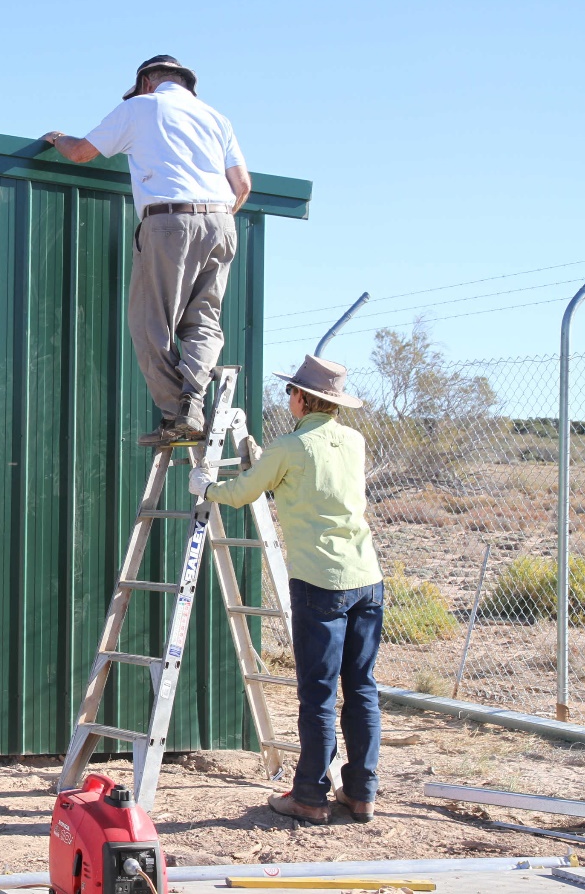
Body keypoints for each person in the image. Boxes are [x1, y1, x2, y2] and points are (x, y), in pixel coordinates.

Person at [188, 355, 384, 825]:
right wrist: (265, 461)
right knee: (362, 689)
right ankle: (360, 794)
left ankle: (310, 798)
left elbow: (240, 494)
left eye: (291, 392)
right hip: (367, 579)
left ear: (302, 397)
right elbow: (309, 483)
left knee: (317, 693)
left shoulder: (290, 447)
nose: (288, 398)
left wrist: (207, 487)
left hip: (321, 582)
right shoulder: (353, 441)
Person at [41, 55, 252, 446]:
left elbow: (81, 153)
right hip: (223, 221)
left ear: (147, 81)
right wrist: (211, 217)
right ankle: (193, 399)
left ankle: (179, 413)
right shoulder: (217, 118)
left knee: (150, 322)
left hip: (169, 219)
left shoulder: (140, 107)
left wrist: (57, 138)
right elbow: (242, 186)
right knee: (203, 319)